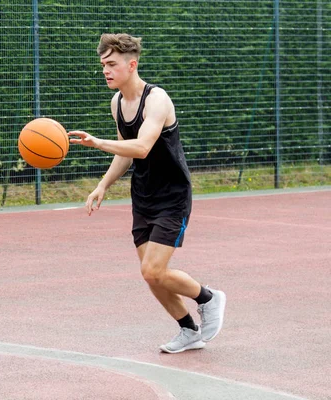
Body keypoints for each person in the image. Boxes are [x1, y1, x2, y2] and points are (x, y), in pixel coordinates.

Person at [68, 33, 226, 354]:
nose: (106, 71)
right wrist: (103, 185)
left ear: (132, 64)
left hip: (173, 195)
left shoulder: (156, 99)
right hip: (143, 195)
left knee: (153, 269)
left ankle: (208, 298)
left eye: (112, 64)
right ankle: (188, 330)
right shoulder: (117, 103)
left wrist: (96, 142)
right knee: (152, 277)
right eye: (103, 65)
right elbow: (125, 153)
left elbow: (141, 147)